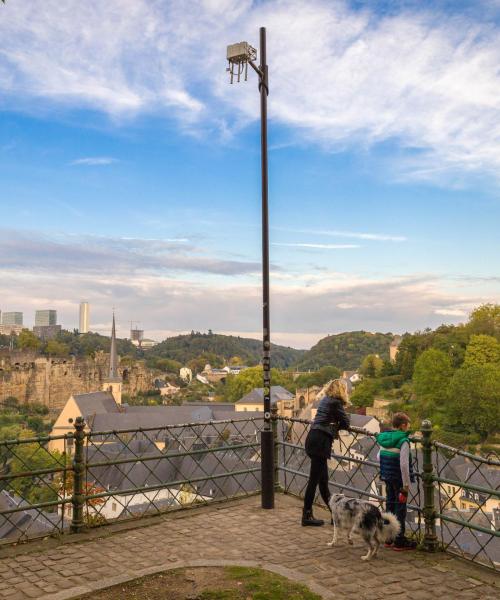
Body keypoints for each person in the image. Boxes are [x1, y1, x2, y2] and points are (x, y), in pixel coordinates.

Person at [301, 379, 351, 526]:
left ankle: (334, 515)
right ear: (342, 390)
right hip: (321, 443)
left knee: (322, 482)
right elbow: (346, 423)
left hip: (313, 438)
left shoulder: (325, 400)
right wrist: (337, 425)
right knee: (314, 481)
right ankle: (306, 516)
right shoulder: (336, 403)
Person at [376, 412, 417, 550]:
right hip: (399, 479)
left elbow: (378, 457)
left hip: (387, 476)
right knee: (400, 508)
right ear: (404, 425)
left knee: (390, 505)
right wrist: (406, 484)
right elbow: (404, 464)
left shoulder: (384, 437)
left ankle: (388, 538)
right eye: (408, 425)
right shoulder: (403, 440)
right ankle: (399, 540)